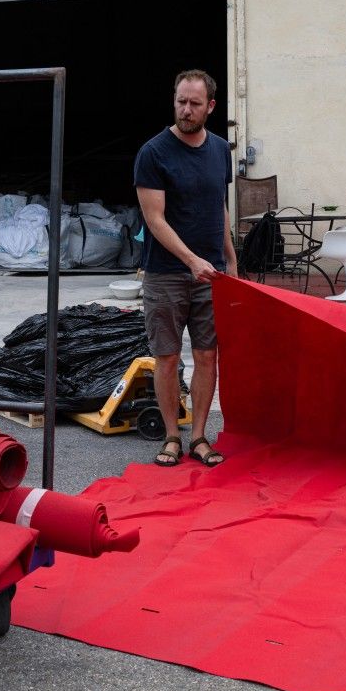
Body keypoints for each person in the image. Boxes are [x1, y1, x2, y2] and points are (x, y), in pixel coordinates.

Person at [133, 69, 236, 468]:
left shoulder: (219, 151)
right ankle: (171, 436)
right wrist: (191, 260)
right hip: (166, 273)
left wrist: (230, 260)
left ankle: (198, 437)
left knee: (208, 355)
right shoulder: (153, 153)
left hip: (210, 275)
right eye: (181, 101)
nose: (186, 109)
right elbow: (154, 220)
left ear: (210, 106)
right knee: (169, 357)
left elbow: (219, 207)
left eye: (195, 103)